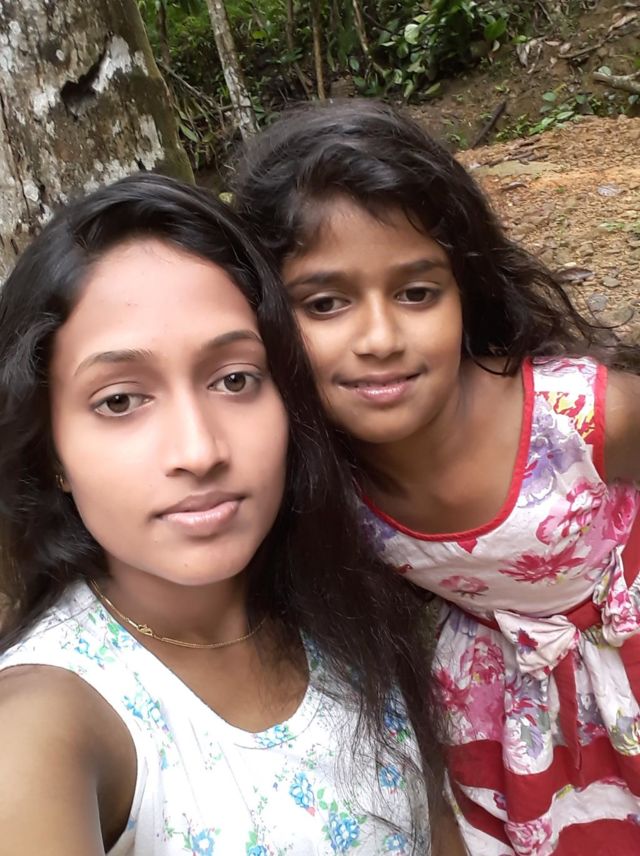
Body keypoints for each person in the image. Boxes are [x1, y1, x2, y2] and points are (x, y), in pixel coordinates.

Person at [0, 174, 463, 855]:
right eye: (120, 401)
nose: (200, 451)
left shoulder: (346, 598)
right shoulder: (47, 717)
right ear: (52, 451)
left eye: (235, 379)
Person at [233, 99, 640, 856]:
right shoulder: (321, 483)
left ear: (466, 292)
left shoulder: (581, 415)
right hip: (516, 705)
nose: (380, 338)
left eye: (417, 293)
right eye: (325, 303)